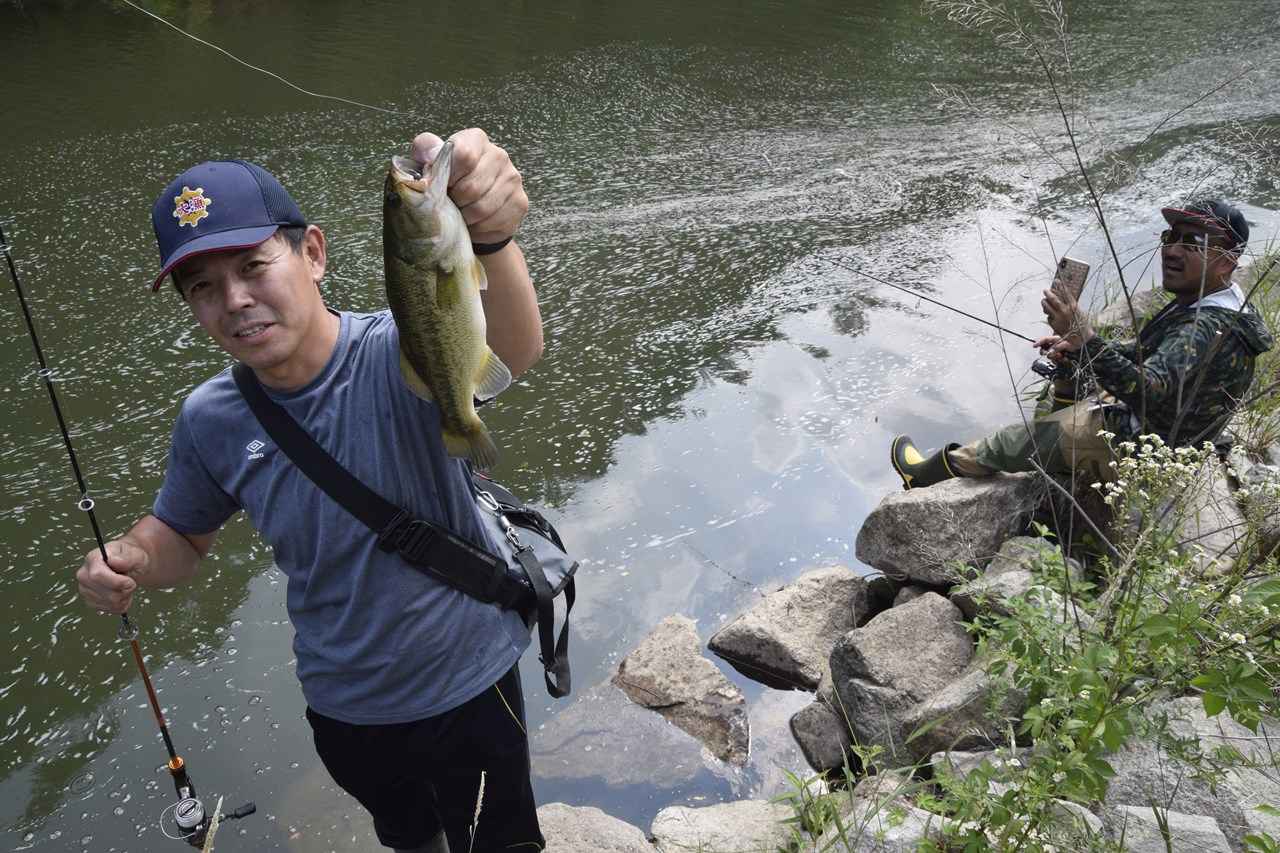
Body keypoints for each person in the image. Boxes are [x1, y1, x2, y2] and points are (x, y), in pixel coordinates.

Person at [75, 129, 545, 853]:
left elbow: (514, 347)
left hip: (468, 680)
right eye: (202, 287)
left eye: (254, 264)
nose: (234, 300)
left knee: (499, 843)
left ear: (314, 253)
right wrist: (132, 555)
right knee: (411, 840)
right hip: (347, 708)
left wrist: (492, 238)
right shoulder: (210, 419)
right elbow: (184, 538)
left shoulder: (401, 349)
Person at [891, 199, 1274, 490]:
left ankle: (919, 478)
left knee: (1005, 442)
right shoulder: (1220, 302)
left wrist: (1087, 339)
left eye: (1192, 242)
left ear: (1227, 260)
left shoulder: (1207, 325)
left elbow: (1148, 390)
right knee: (1071, 363)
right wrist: (1079, 342)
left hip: (1143, 448)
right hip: (1173, 434)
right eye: (1170, 237)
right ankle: (1051, 441)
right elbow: (1152, 360)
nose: (1172, 250)